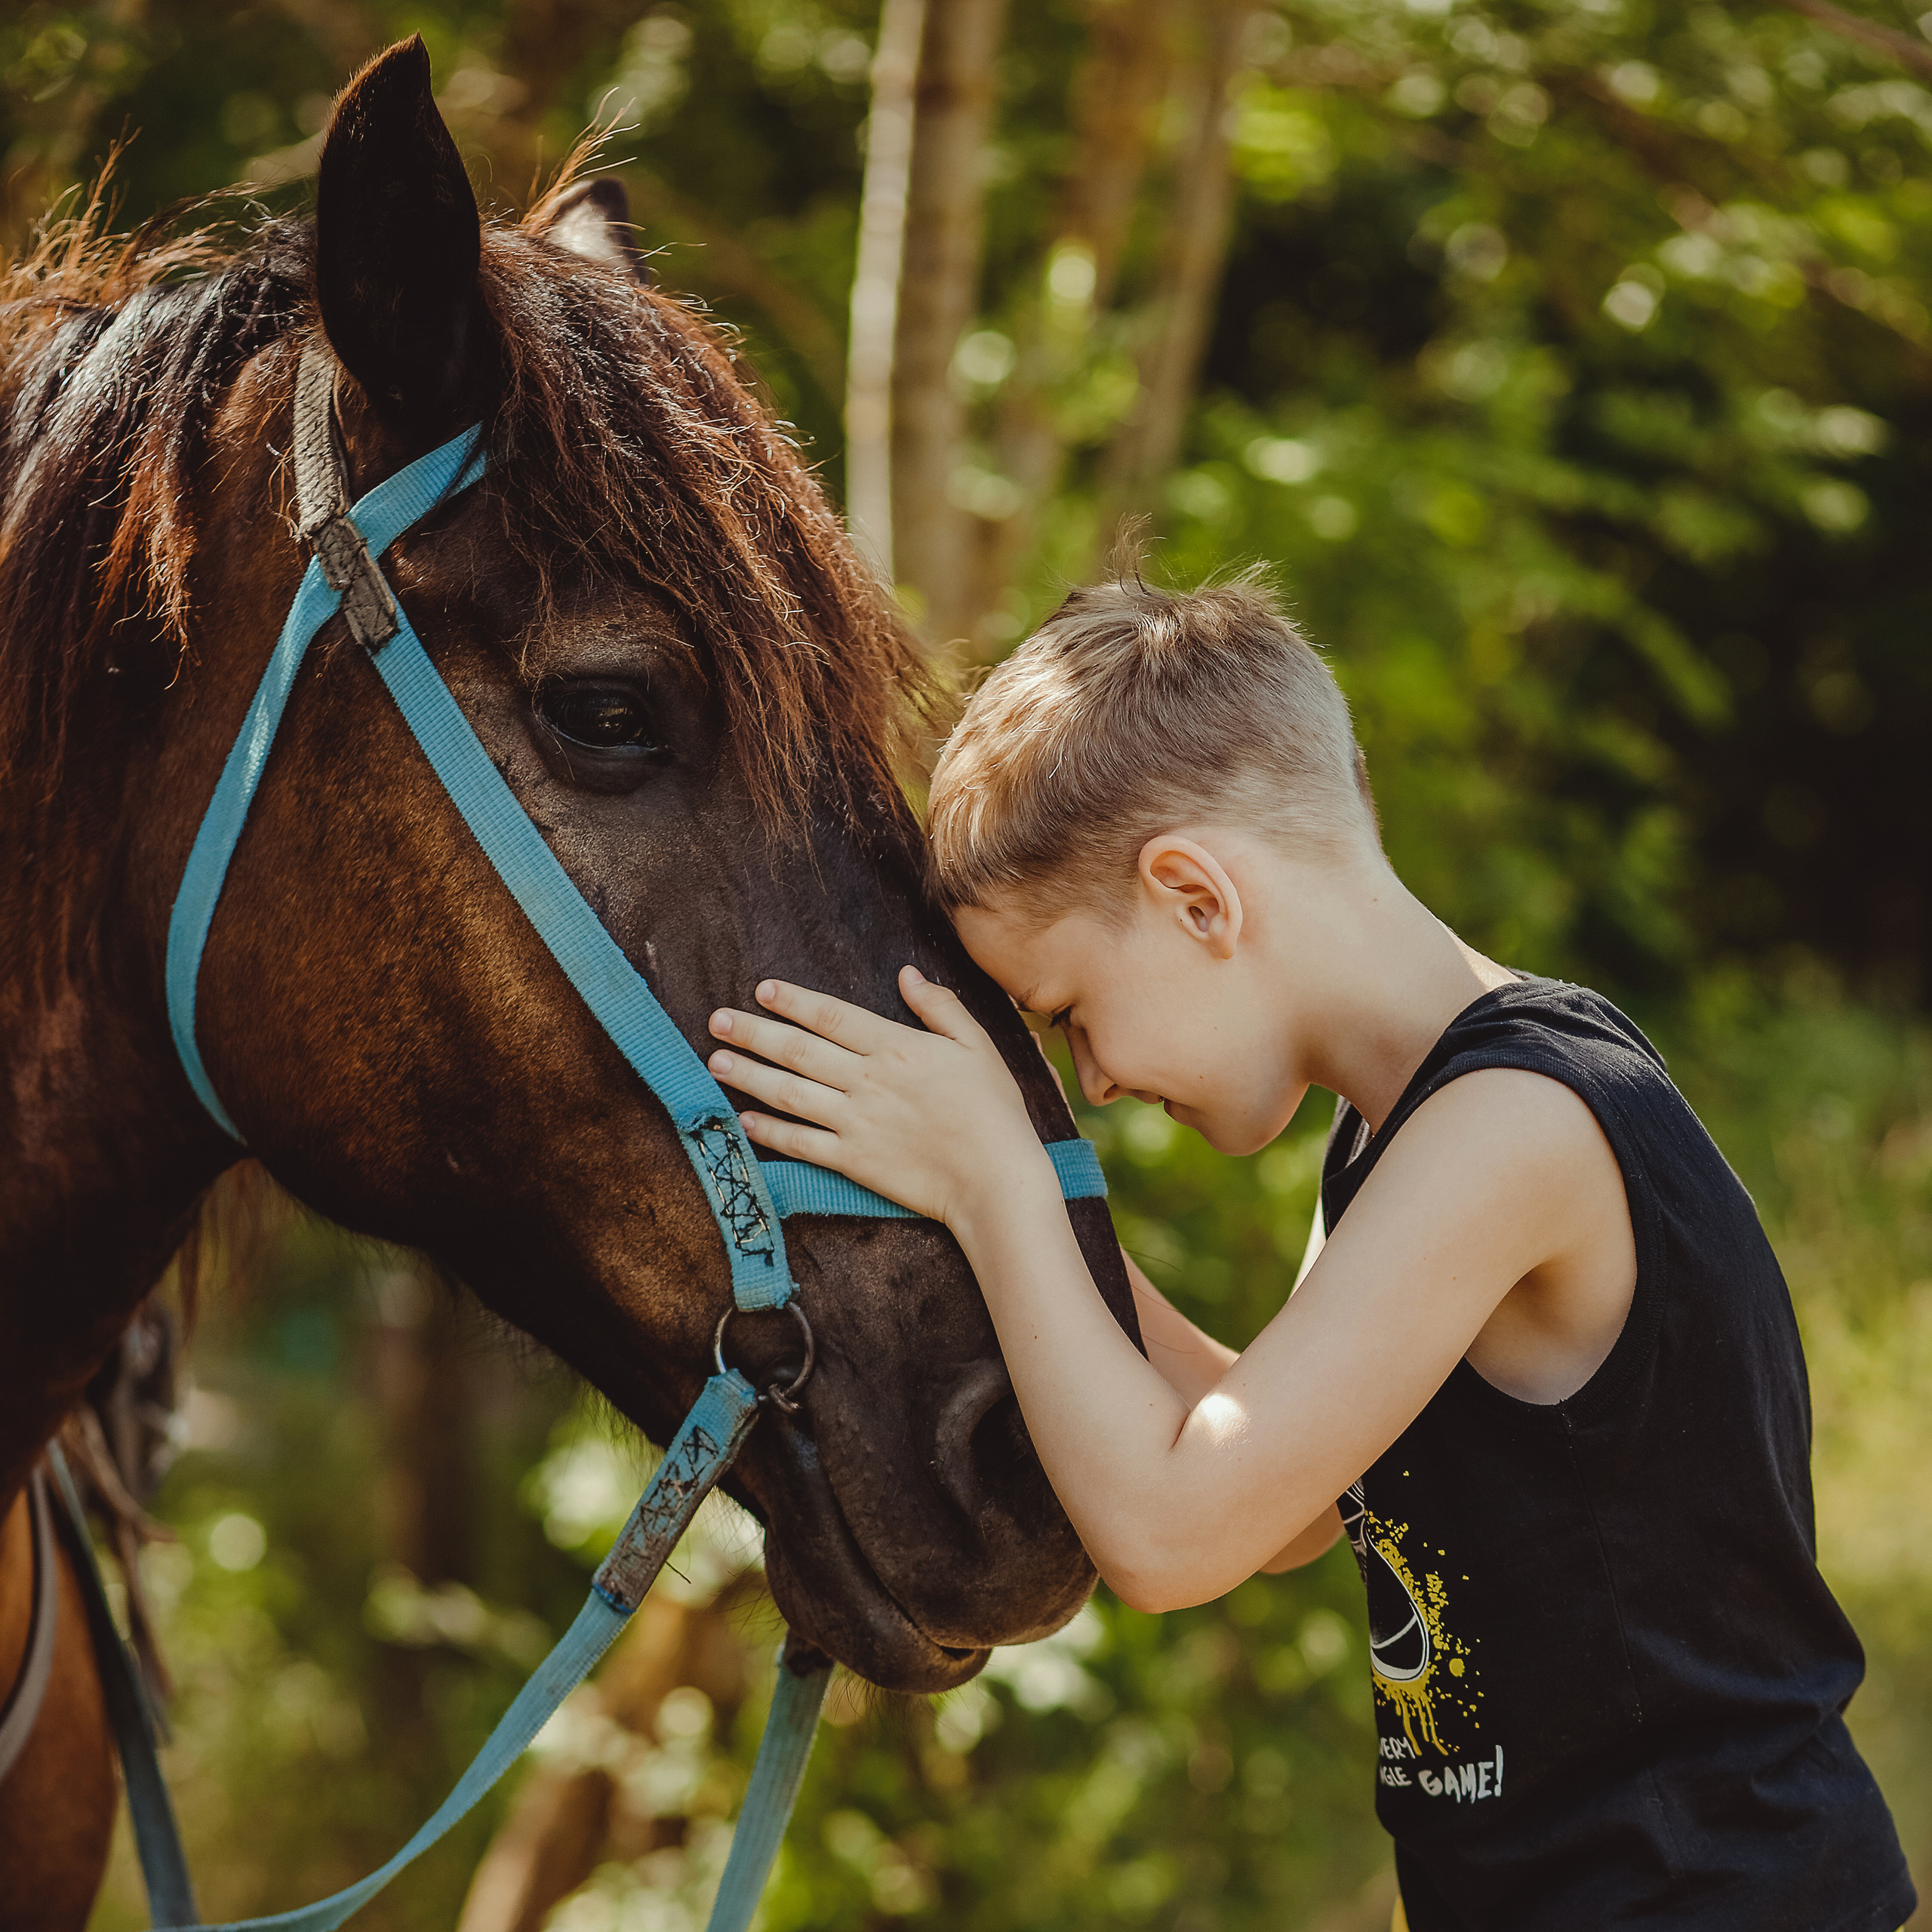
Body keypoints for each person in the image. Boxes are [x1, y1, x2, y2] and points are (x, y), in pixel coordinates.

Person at [703, 568, 1915, 1932]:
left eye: (1075, 1012)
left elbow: (1175, 1536)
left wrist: (1001, 1189)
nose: (1094, 1078)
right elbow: (1285, 1505)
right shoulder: (1398, 1129)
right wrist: (1000, 1212)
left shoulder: (1517, 1129)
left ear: (1197, 898)